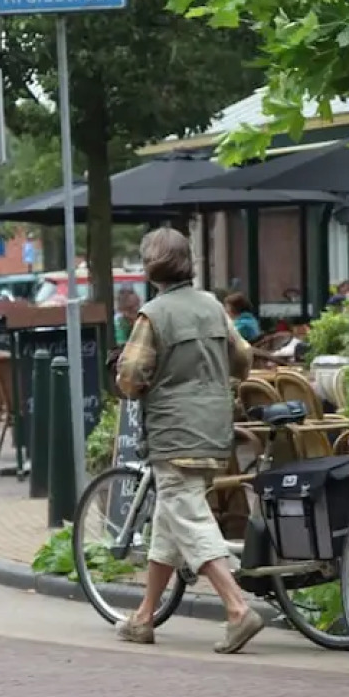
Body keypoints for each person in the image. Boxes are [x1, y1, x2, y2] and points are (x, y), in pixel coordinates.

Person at [114, 228, 265, 654]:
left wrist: (129, 377)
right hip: (214, 426)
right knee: (170, 516)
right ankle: (144, 617)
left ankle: (237, 608)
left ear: (149, 267)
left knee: (189, 516)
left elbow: (131, 377)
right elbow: (243, 359)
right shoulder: (214, 307)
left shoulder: (153, 314)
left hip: (173, 432)